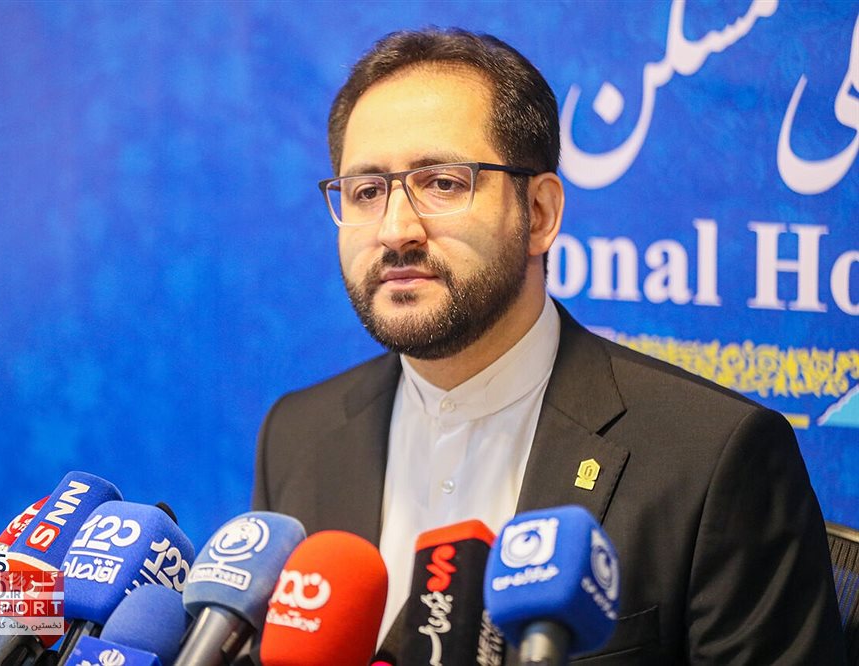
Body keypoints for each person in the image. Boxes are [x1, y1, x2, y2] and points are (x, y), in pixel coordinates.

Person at [251, 28, 846, 663]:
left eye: (442, 183)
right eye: (367, 192)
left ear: (539, 213)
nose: (396, 230)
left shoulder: (713, 458)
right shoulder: (298, 435)